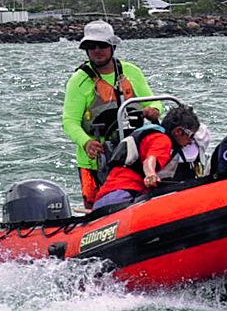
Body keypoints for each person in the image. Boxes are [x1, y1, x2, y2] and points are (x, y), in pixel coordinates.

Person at [61, 20, 159, 209]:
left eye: (102, 45)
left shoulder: (132, 72)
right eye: (91, 46)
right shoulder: (78, 81)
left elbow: (154, 102)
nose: (97, 50)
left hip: (131, 153)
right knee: (96, 207)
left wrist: (153, 110)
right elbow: (69, 121)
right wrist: (86, 142)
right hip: (94, 162)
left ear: (112, 46)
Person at [92, 104, 203, 210]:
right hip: (124, 192)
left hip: (111, 192)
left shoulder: (155, 134)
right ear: (178, 131)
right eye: (191, 136)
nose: (190, 141)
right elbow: (150, 160)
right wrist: (150, 174)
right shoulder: (163, 141)